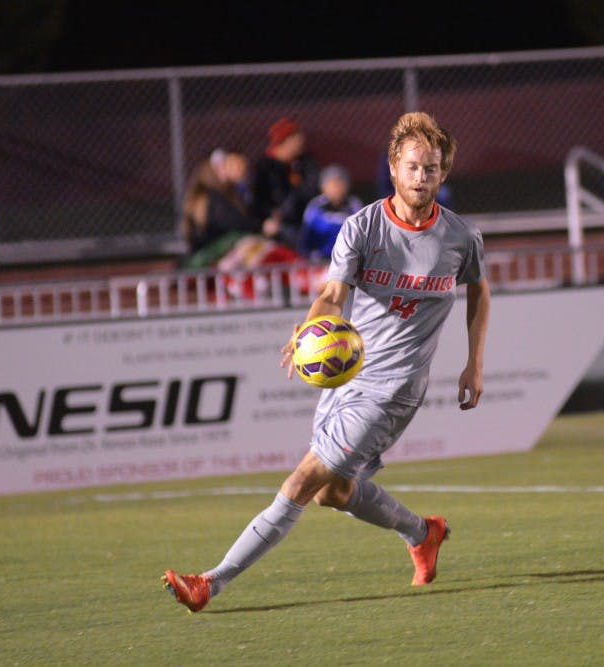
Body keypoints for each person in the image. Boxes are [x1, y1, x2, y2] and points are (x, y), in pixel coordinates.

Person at [163, 111, 491, 613]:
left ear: (443, 173)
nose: (421, 178)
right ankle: (423, 532)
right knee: (333, 493)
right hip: (347, 376)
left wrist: (474, 363)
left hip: (395, 389)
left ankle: (210, 582)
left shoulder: (460, 238)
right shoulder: (361, 228)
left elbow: (480, 292)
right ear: (393, 167)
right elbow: (332, 296)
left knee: (301, 482)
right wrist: (310, 330)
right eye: (412, 167)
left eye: (431, 169)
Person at [180, 149, 262, 268]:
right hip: (209, 253)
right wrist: (260, 226)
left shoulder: (229, 193)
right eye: (222, 166)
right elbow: (234, 222)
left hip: (218, 250)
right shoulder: (208, 197)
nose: (227, 170)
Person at [250, 117, 322, 250]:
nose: (301, 140)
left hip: (303, 216)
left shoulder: (306, 162)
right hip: (276, 221)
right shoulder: (266, 166)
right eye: (295, 137)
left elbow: (312, 190)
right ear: (283, 142)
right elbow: (259, 200)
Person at [297, 164, 363, 262]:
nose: (336, 189)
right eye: (332, 185)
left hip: (347, 261)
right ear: (323, 187)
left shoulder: (354, 205)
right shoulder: (315, 207)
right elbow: (305, 237)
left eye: (340, 184)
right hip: (318, 261)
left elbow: (361, 235)